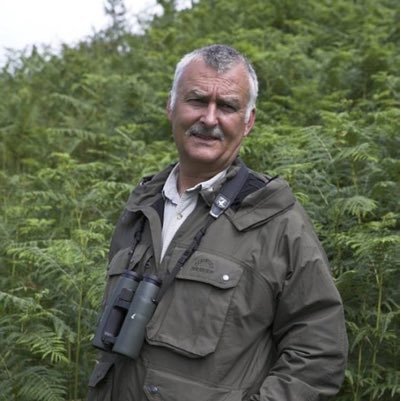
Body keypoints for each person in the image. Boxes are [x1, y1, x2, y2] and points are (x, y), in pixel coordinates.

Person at [87, 44, 348, 401]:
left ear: (248, 121)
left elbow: (318, 351)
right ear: (171, 106)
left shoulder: (276, 220)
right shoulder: (141, 206)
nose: (209, 119)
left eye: (227, 106)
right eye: (197, 100)